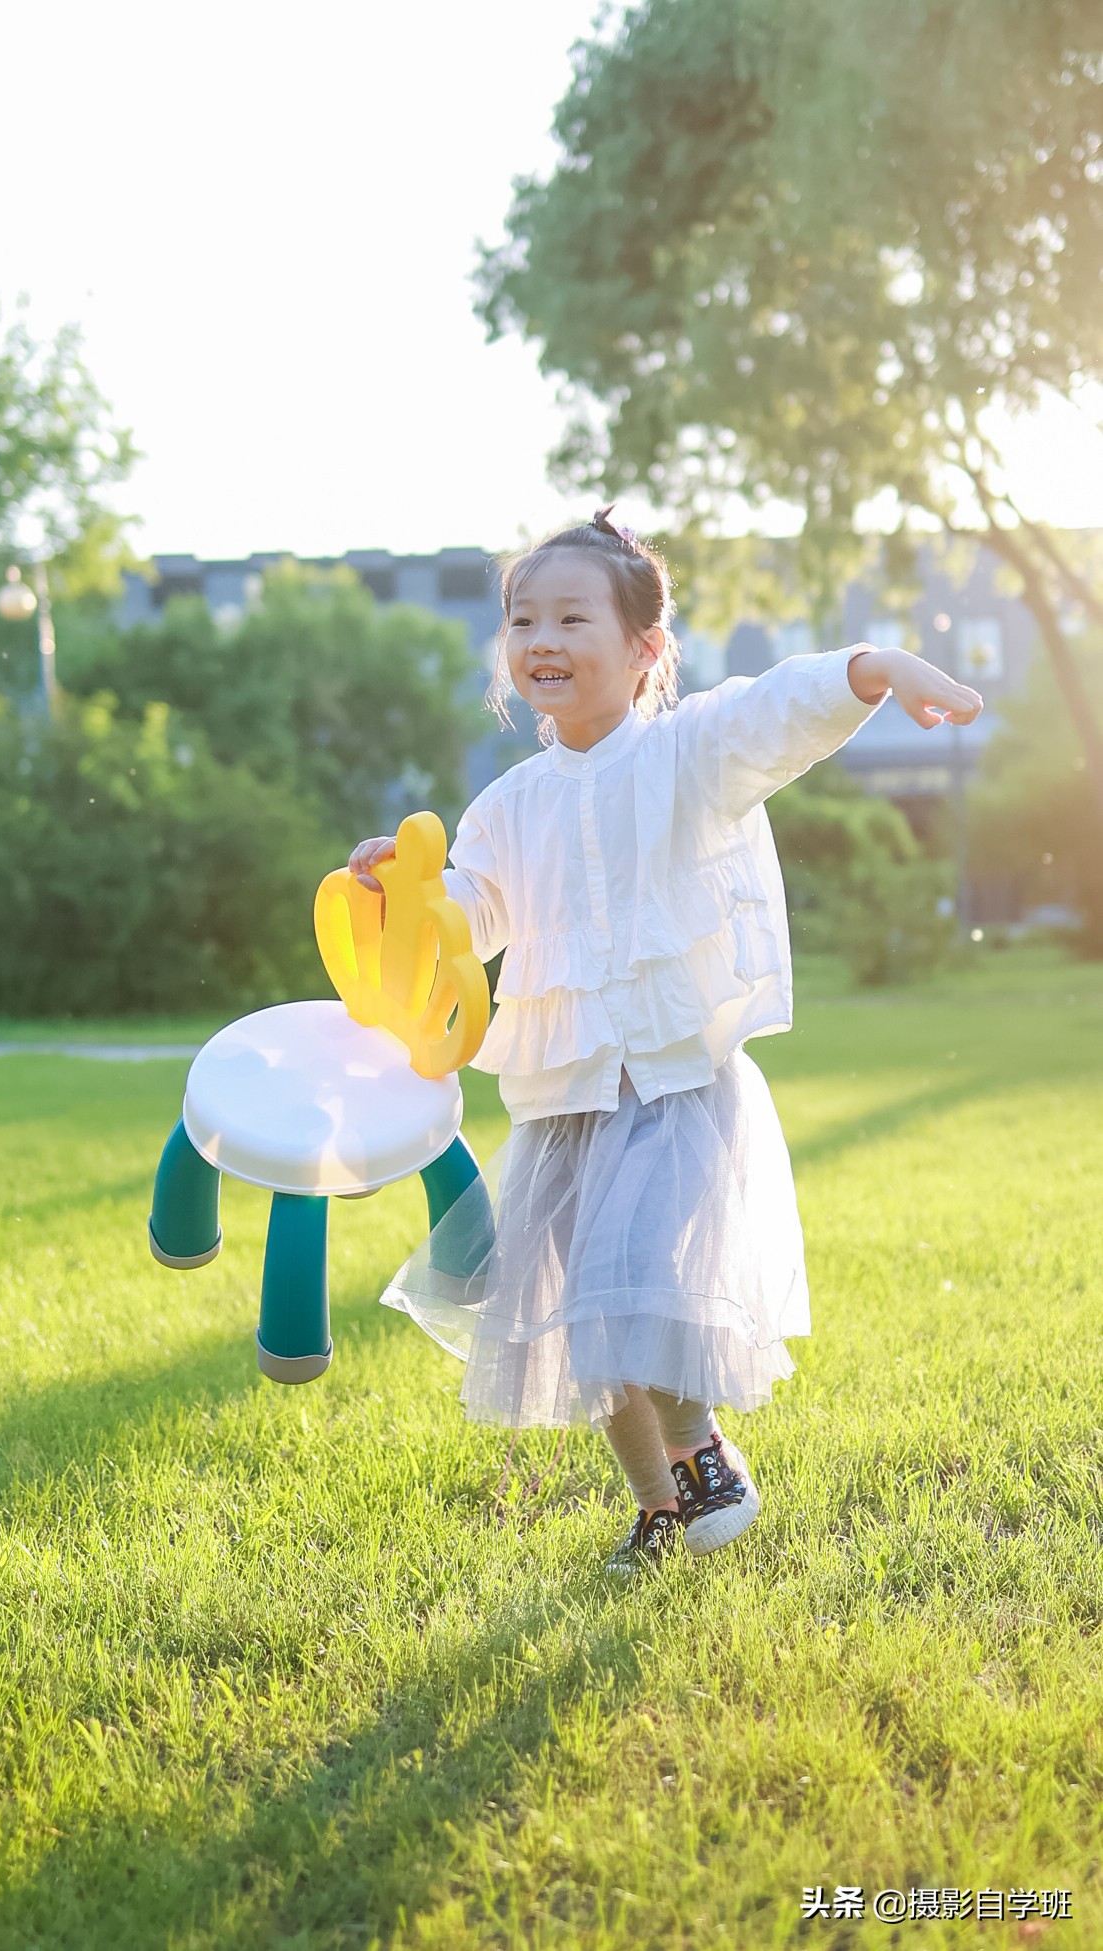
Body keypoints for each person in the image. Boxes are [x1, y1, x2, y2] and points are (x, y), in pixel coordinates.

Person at [349, 508, 982, 1576]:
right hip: (563, 1096)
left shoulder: (688, 754)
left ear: (644, 646)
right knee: (584, 1326)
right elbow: (477, 914)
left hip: (670, 1079)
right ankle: (655, 1506)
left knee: (628, 1280)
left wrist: (874, 666)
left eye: (568, 616)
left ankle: (698, 1444)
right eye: (520, 619)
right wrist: (408, 891)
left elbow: (772, 710)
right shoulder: (507, 805)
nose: (538, 637)